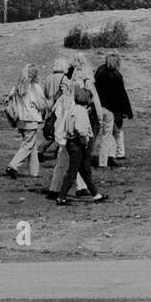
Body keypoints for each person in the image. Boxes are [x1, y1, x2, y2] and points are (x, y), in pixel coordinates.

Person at [49, 55, 97, 196]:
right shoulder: (76, 101)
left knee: (67, 161)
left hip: (63, 132)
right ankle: (63, 190)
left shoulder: (65, 95)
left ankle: (59, 188)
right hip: (70, 134)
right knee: (71, 161)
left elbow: (56, 111)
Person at [55, 87, 105, 205]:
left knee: (83, 170)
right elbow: (80, 128)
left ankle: (96, 194)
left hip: (71, 142)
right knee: (72, 172)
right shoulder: (81, 111)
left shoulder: (72, 109)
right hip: (78, 143)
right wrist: (85, 141)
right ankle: (61, 197)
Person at [5, 63, 49, 178]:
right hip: (31, 119)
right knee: (27, 145)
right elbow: (42, 104)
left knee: (32, 146)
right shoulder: (35, 87)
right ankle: (13, 165)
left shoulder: (17, 86)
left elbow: (8, 99)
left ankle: (34, 172)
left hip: (20, 119)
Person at [94, 52, 134, 166]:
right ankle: (114, 155)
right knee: (115, 132)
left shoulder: (100, 71)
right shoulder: (116, 75)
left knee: (100, 133)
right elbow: (121, 94)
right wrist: (126, 111)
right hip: (114, 108)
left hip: (100, 106)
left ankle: (98, 156)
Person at [37, 57, 69, 162]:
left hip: (49, 105)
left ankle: (51, 150)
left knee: (51, 128)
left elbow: (45, 93)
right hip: (59, 106)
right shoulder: (64, 78)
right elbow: (65, 94)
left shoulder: (48, 77)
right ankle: (43, 150)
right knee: (57, 131)